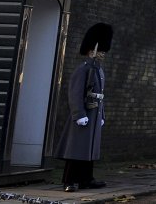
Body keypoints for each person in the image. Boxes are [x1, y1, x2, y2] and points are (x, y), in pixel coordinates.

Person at [56, 22, 112, 192]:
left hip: (94, 114)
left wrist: (101, 115)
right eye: (100, 50)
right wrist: (79, 114)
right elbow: (74, 93)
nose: (102, 53)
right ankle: (69, 180)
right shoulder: (84, 69)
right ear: (92, 49)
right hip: (84, 114)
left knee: (89, 150)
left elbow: (100, 95)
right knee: (76, 148)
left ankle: (86, 178)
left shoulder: (98, 70)